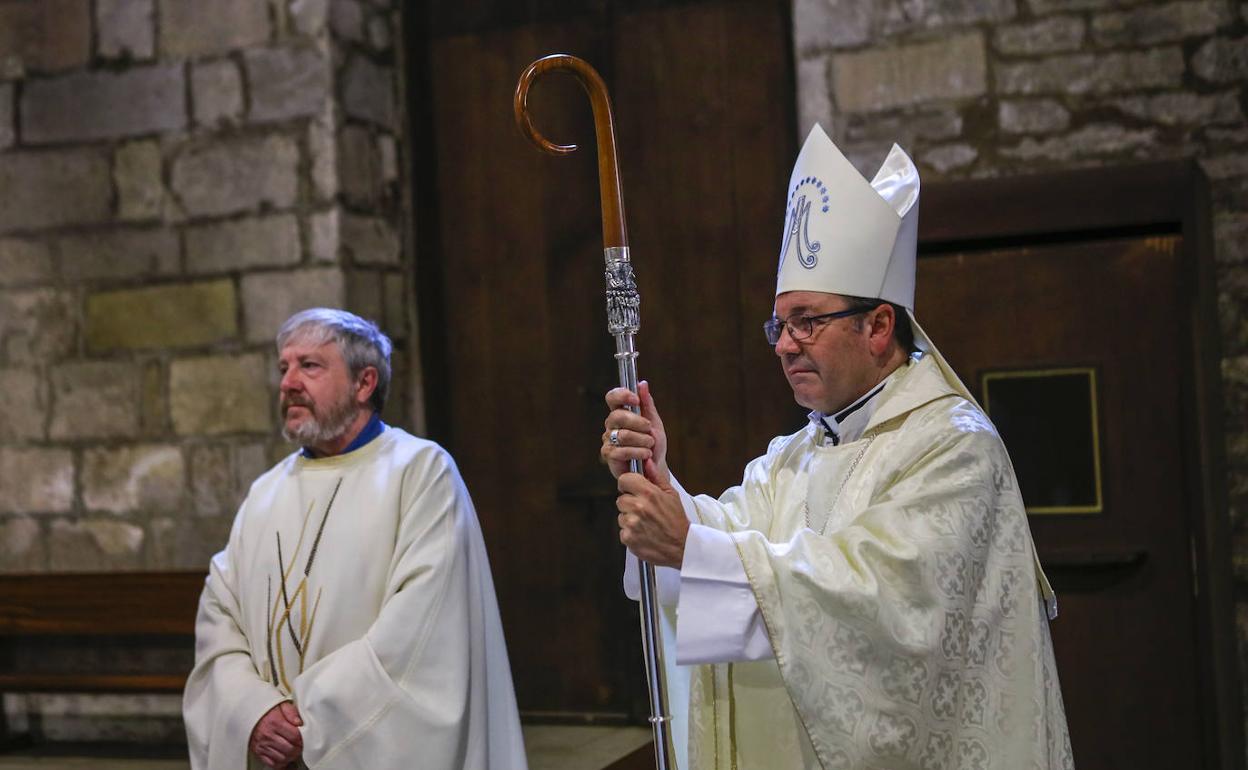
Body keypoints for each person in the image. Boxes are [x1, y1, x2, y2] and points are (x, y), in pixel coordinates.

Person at [601, 126, 1073, 769]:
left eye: (808, 322)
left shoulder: (953, 450)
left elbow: (886, 604)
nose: (784, 344)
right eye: (779, 323)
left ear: (879, 325)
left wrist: (690, 544)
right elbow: (722, 535)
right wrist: (660, 484)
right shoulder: (794, 457)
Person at [183, 308, 527, 770]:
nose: (288, 383)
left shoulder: (420, 473)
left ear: (364, 383)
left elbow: (421, 633)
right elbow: (220, 616)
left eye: (310, 366)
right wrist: (253, 710)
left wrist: (311, 719)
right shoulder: (267, 491)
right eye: (284, 367)